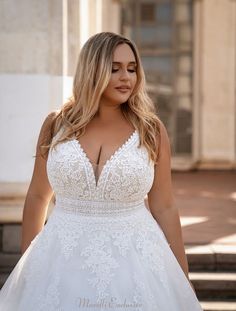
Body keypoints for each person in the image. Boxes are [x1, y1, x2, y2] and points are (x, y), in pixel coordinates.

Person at [0, 32, 203, 311]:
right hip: (60, 260)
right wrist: (27, 267)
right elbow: (37, 196)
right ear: (92, 69)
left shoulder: (151, 130)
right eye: (114, 68)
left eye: (132, 69)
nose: (126, 77)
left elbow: (165, 206)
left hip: (136, 264)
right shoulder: (56, 125)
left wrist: (183, 278)